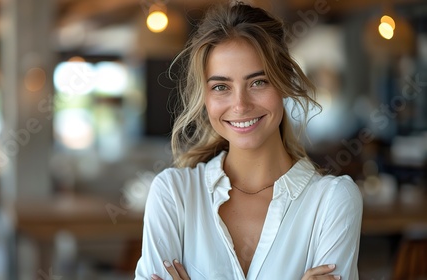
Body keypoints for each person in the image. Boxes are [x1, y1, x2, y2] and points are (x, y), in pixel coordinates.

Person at [135, 1, 363, 279]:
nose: (240, 105)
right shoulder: (173, 195)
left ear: (284, 84)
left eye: (258, 82)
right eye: (221, 87)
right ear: (205, 99)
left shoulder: (332, 200)